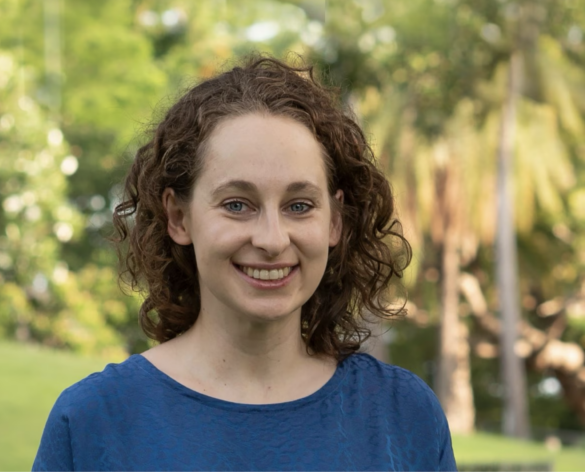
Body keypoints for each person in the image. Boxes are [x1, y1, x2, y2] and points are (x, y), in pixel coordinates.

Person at [32, 54, 457, 471]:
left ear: (335, 221)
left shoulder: (403, 417)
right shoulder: (94, 423)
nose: (272, 240)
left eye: (299, 205)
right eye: (237, 204)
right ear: (178, 217)